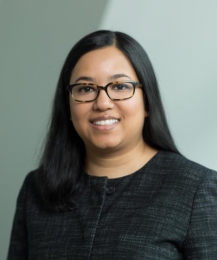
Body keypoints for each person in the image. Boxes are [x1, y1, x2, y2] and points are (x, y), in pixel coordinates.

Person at [7, 30, 217, 260]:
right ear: (67, 106)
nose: (103, 103)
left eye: (120, 86)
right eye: (85, 89)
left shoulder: (197, 189)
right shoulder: (37, 189)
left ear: (147, 101)